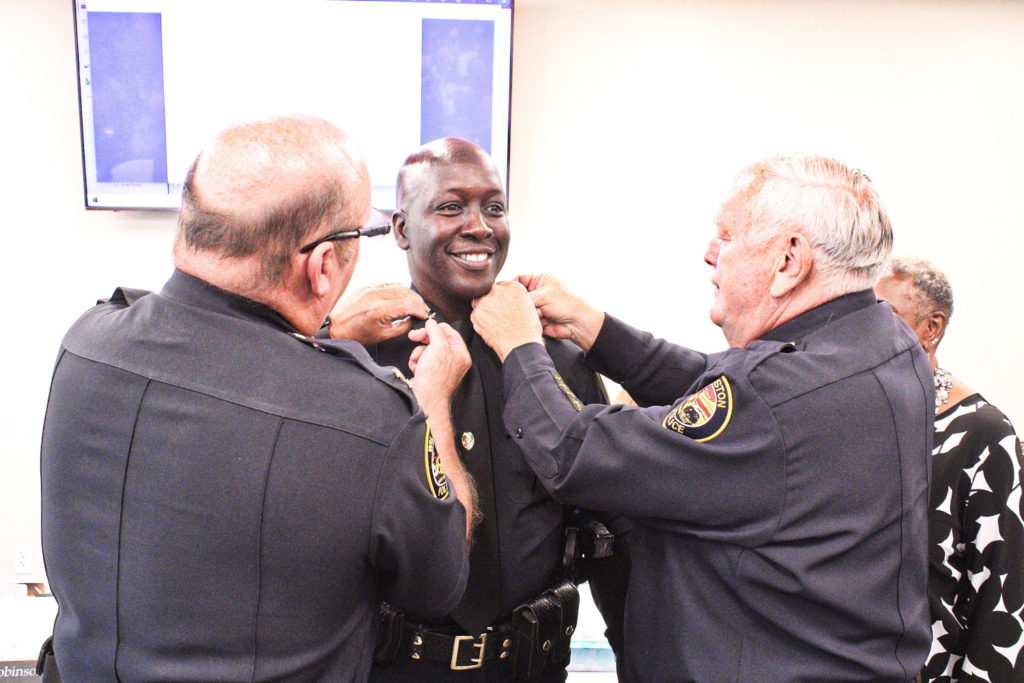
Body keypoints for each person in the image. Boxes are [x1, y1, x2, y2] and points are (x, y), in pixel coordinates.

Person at [39, 115, 474, 681]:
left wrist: (321, 336)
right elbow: (438, 585)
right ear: (321, 266)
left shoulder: (87, 343)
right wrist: (433, 400)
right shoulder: (371, 419)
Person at [469, 154, 934, 681]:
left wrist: (519, 347)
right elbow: (717, 381)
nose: (709, 253)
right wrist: (592, 326)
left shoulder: (773, 401)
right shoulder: (882, 340)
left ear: (789, 261)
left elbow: (577, 454)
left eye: (728, 237)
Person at [329, 138, 627, 681]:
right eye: (451, 207)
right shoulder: (358, 359)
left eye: (494, 207)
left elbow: (605, 521)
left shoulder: (554, 355)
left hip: (536, 666)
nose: (480, 226)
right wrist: (328, 340)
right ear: (400, 228)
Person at [876, 257, 1024, 681]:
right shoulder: (858, 416)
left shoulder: (984, 433)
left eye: (886, 316)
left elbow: (1003, 586)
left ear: (932, 327)